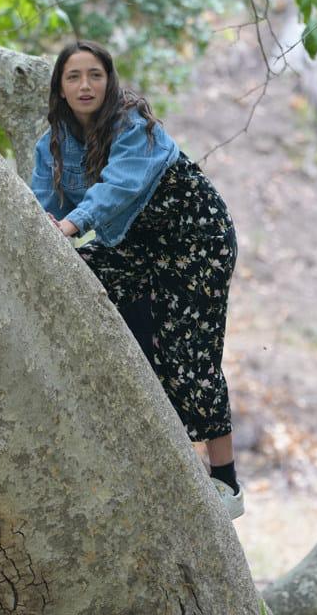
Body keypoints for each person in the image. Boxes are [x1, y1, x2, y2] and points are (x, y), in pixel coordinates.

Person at [30, 40, 244, 519]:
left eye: (95, 75)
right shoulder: (52, 146)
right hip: (135, 245)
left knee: (189, 351)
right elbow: (42, 205)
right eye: (73, 77)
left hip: (194, 236)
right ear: (60, 89)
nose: (85, 85)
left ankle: (226, 481)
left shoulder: (133, 125)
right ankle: (150, 442)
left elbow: (118, 189)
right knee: (83, 284)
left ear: (110, 82)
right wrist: (42, 224)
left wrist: (70, 225)